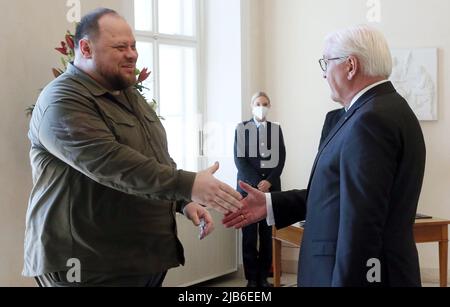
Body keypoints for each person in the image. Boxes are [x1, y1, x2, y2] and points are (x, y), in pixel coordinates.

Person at [24, 8, 242, 287]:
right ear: (86, 48)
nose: (132, 54)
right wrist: (188, 184)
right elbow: (114, 165)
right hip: (87, 266)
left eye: (133, 46)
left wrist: (183, 202)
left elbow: (152, 157)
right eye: (119, 47)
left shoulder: (127, 94)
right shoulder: (62, 100)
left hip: (139, 262)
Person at [224, 25, 426, 287]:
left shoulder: (371, 120)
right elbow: (336, 197)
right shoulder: (380, 109)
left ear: (350, 66)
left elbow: (361, 225)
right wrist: (271, 204)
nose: (324, 74)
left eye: (326, 63)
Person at [234, 92, 286, 287]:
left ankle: (264, 276)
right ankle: (252, 278)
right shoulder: (241, 129)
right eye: (258, 103)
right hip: (247, 188)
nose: (261, 106)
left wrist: (269, 182)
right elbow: (240, 161)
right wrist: (257, 183)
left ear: (269, 105)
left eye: (265, 103)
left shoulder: (276, 129)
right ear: (251, 106)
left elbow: (280, 159)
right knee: (248, 235)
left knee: (266, 233)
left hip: (270, 190)